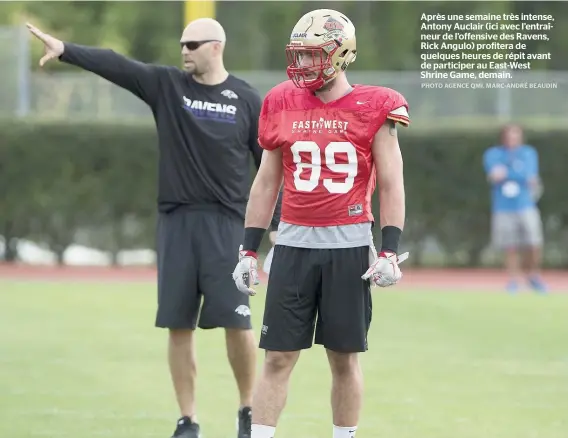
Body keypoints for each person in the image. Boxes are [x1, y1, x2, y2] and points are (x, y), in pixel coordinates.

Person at [27, 18, 282, 438]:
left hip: (228, 226)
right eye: (182, 43)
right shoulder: (168, 87)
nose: (184, 50)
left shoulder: (246, 99)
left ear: (216, 47)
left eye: (193, 44)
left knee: (237, 322)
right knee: (178, 324)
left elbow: (267, 168)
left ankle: (247, 411)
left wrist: (273, 223)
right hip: (177, 222)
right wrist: (66, 49)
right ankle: (188, 420)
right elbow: (118, 64)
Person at [231, 9, 410, 438]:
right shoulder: (280, 101)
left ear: (341, 53)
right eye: (301, 55)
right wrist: (248, 250)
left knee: (344, 357)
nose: (304, 65)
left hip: (348, 248)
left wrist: (389, 249)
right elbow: (265, 182)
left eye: (313, 55)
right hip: (292, 246)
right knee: (277, 357)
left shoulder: (376, 104)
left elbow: (391, 182)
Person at [483, 124, 547, 293]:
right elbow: (494, 174)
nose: (512, 139)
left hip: (526, 205)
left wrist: (507, 173)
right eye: (509, 136)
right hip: (503, 208)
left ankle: (533, 275)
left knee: (534, 243)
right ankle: (513, 280)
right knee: (510, 246)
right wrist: (515, 173)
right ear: (503, 137)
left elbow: (529, 175)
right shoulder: (493, 154)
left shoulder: (528, 153)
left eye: (516, 136)